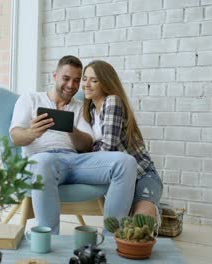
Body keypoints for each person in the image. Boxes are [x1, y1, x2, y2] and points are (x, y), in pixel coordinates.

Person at [9, 55, 137, 234]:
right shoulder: (30, 99)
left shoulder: (81, 106)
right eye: (66, 78)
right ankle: (50, 238)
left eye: (77, 80)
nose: (71, 85)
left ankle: (112, 238)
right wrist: (32, 133)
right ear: (55, 76)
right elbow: (15, 137)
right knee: (44, 162)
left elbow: (86, 145)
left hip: (75, 161)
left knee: (127, 162)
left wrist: (70, 129)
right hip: (43, 161)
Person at [81, 60, 163, 223]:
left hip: (142, 175)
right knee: (124, 225)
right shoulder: (90, 111)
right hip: (120, 180)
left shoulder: (112, 101)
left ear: (105, 83)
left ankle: (153, 211)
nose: (86, 84)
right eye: (85, 78)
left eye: (94, 80)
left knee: (141, 223)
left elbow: (108, 149)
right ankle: (155, 212)